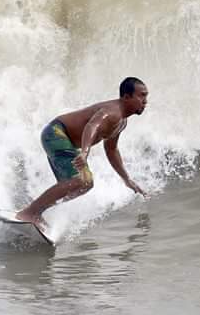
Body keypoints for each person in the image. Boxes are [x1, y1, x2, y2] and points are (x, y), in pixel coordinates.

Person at [15, 77, 149, 229]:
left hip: (61, 140)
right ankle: (30, 212)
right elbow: (92, 125)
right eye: (141, 95)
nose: (145, 101)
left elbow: (111, 150)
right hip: (56, 133)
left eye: (146, 96)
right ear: (126, 97)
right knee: (81, 180)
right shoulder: (113, 112)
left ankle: (34, 211)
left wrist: (126, 179)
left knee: (84, 184)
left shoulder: (121, 122)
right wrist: (85, 152)